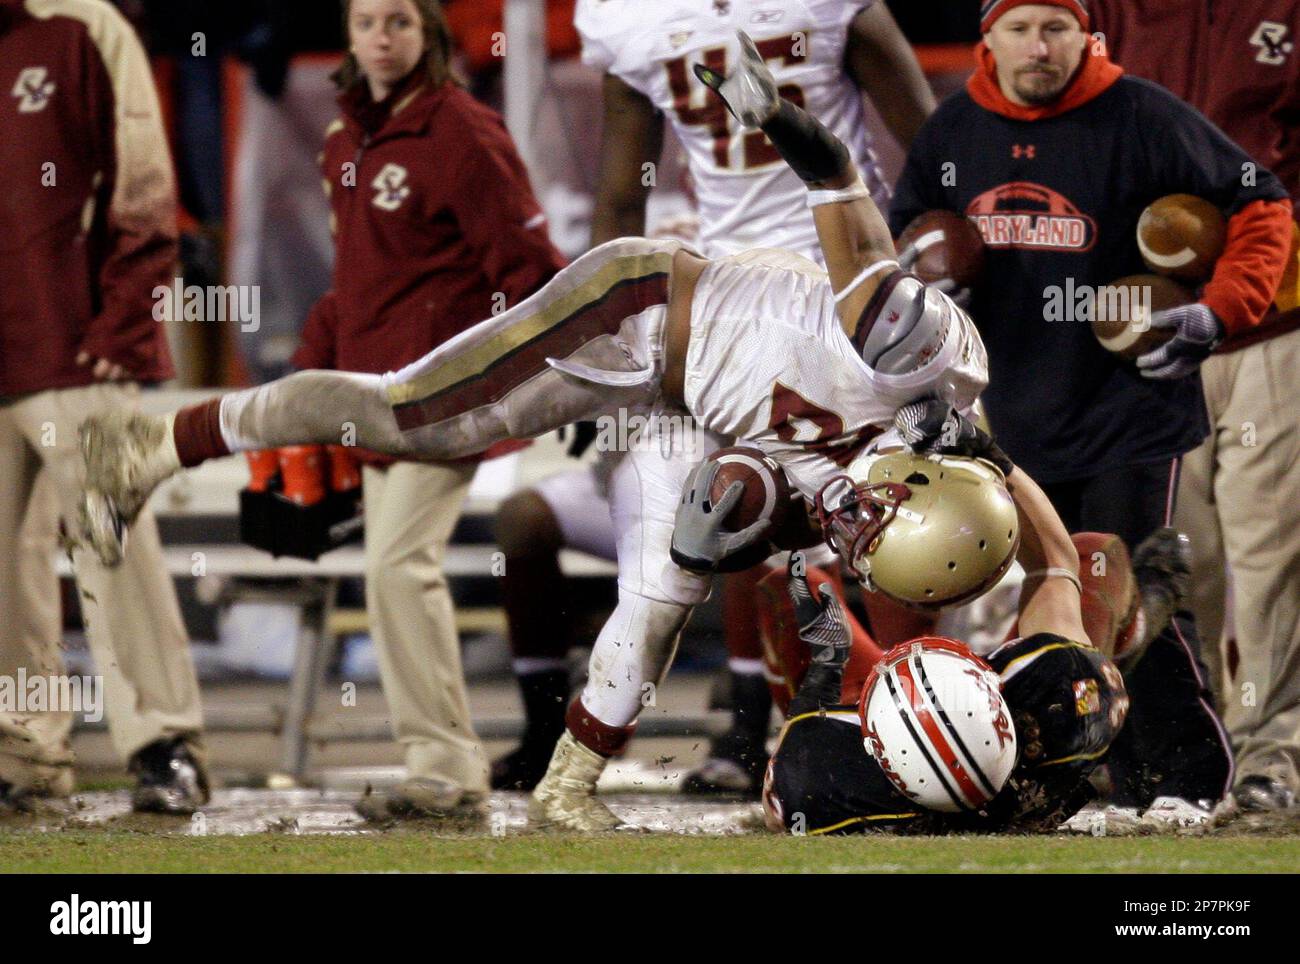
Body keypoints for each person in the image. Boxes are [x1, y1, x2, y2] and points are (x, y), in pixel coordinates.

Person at [76, 35, 987, 830]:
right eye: (875, 524)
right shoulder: (912, 350)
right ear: (925, 478)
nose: (856, 532)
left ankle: (568, 783)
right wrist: (773, 115)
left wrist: (728, 535)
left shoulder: (926, 496)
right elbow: (835, 178)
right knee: (408, 416)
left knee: (667, 594)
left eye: (864, 547)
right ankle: (163, 444)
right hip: (639, 312)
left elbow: (749, 488)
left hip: (694, 410)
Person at [489, 0, 939, 795]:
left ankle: (903, 708)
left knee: (880, 506)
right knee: (751, 502)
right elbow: (933, 152)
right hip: (760, 305)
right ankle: (750, 726)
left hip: (813, 303)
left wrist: (922, 271)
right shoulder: (637, 19)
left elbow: (934, 151)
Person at [888, 0, 1295, 811]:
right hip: (1023, 407)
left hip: (1138, 401)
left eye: (1055, 30)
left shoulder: (1141, 112)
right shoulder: (953, 129)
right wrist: (929, 284)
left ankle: (1199, 776)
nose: (1039, 48)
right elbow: (906, 235)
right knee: (1060, 590)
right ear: (988, 40)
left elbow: (1261, 198)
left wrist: (1223, 305)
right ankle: (1086, 768)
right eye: (1020, 30)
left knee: (1138, 580)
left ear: (1086, 36)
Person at [273, 0, 566, 822]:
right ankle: (440, 764)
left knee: (396, 566)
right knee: (394, 572)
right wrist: (306, 381)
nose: (381, 37)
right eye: (366, 21)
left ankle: (443, 769)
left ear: (429, 33)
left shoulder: (464, 133)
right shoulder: (345, 143)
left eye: (399, 20)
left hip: (445, 393)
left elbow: (531, 266)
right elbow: (353, 282)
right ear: (349, 34)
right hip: (370, 399)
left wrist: (543, 378)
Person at [761, 404, 1191, 834]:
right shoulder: (1058, 702)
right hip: (1066, 730)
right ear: (994, 688)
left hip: (934, 750)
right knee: (1094, 555)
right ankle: (1128, 638)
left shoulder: (831, 781)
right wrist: (993, 457)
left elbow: (782, 805)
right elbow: (1055, 563)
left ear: (873, 744)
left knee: (788, 588)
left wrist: (821, 682)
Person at [1091, 0, 1300, 813]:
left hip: (1273, 319)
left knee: (1269, 554)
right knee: (1179, 560)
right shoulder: (1093, 13)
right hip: (1135, 332)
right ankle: (1195, 750)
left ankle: (1269, 756)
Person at [0, 0, 206, 814]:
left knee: (110, 538)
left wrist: (122, 322)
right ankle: (24, 754)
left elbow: (145, 182)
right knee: (4, 570)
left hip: (71, 343)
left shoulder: (84, 26)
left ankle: (164, 744)